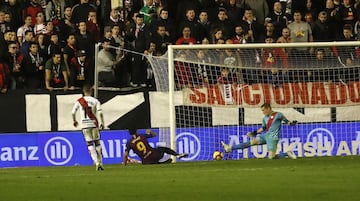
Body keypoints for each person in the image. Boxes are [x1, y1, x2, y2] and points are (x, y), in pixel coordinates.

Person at [221, 103, 298, 159]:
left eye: (264, 110)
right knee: (250, 143)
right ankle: (230, 148)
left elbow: (286, 121)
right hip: (266, 135)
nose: (263, 112)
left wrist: (291, 123)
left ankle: (287, 153)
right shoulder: (264, 118)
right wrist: (254, 133)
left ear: (269, 108)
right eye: (262, 110)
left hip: (273, 138)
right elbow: (263, 128)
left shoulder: (278, 115)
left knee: (271, 157)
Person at [72, 83, 105, 171]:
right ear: (91, 91)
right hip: (94, 124)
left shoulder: (79, 101)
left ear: (83, 91)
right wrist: (102, 122)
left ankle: (96, 162)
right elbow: (100, 113)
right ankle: (101, 162)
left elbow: (73, 112)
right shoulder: (95, 101)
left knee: (89, 144)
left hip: (85, 125)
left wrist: (74, 120)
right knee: (97, 142)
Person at [123, 128, 188, 165]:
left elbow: (125, 155)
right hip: (154, 155)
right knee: (162, 148)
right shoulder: (142, 136)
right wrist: (150, 132)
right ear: (136, 131)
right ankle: (177, 155)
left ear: (129, 133)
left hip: (146, 162)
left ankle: (162, 163)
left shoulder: (129, 142)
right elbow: (154, 135)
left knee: (148, 160)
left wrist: (124, 164)